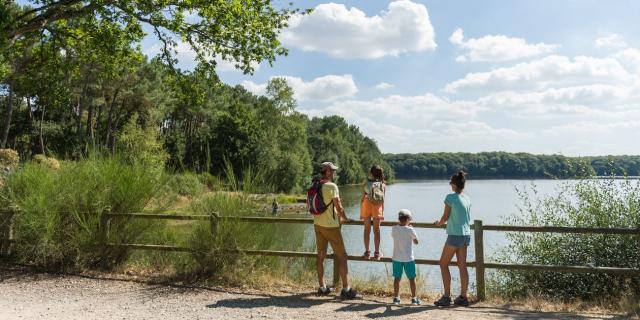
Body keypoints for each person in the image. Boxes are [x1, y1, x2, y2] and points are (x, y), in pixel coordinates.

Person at [314, 161, 360, 299]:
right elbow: (339, 208)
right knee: (342, 256)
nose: (334, 173)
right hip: (331, 227)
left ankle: (322, 288)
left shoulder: (316, 185)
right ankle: (346, 289)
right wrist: (344, 218)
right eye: (333, 171)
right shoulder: (331, 186)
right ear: (327, 172)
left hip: (318, 225)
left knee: (321, 256)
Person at [434, 171, 472, 307]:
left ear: (454, 185)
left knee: (443, 264)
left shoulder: (450, 197)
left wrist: (438, 223)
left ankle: (446, 297)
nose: (450, 185)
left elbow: (445, 217)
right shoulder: (467, 198)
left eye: (451, 183)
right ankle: (463, 297)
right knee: (462, 266)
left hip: (455, 235)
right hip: (466, 234)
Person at [391, 209, 421, 306]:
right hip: (408, 258)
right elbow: (416, 242)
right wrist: (411, 228)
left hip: (396, 258)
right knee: (412, 279)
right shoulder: (410, 229)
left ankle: (396, 298)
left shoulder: (394, 228)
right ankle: (414, 299)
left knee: (397, 278)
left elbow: (394, 235)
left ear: (399, 219)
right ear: (408, 219)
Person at [360, 165, 386, 260]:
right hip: (377, 208)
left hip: (366, 206)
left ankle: (367, 253)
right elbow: (383, 200)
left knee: (367, 230)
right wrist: (382, 213)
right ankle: (377, 253)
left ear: (371, 173)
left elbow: (363, 198)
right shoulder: (382, 185)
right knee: (377, 231)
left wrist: (361, 213)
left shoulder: (367, 184)